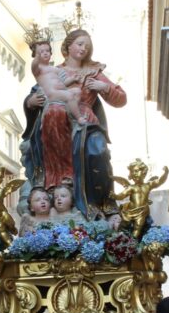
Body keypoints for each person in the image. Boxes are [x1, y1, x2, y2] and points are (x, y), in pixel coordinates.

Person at [22, 29, 127, 219]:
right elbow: (37, 93)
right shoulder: (54, 70)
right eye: (80, 44)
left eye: (87, 46)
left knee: (97, 149)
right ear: (68, 46)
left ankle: (101, 202)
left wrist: (104, 87)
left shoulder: (94, 72)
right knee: (53, 117)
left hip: (86, 122)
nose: (83, 49)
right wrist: (31, 101)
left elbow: (120, 99)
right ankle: (58, 184)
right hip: (57, 117)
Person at [30, 40, 87, 123]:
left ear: (50, 53)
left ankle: (70, 112)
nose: (45, 53)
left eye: (47, 51)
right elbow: (34, 65)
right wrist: (37, 58)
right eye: (41, 52)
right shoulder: (38, 69)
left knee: (77, 91)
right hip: (51, 93)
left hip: (61, 91)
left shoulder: (55, 69)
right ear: (36, 55)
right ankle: (79, 118)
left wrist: (72, 79)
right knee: (69, 95)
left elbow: (64, 83)